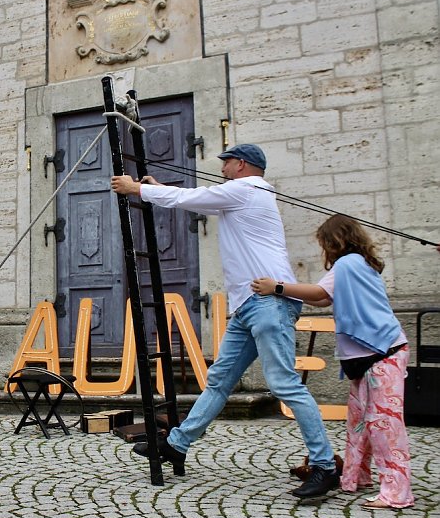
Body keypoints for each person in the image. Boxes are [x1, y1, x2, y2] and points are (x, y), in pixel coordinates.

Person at [111, 143, 338, 498]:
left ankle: (324, 466)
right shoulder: (243, 195)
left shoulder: (245, 190)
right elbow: (195, 199)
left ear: (242, 165)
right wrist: (156, 190)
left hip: (269, 303)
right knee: (218, 380)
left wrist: (138, 189)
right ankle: (178, 444)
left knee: (284, 384)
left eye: (227, 162)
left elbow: (194, 198)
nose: (222, 167)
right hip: (251, 305)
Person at [252, 215, 414, 509]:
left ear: (333, 241)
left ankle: (397, 493)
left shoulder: (349, 264)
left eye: (324, 243)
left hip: (382, 352)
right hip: (371, 352)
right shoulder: (359, 264)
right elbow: (325, 300)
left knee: (383, 426)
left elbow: (319, 293)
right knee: (359, 422)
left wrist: (277, 287)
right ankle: (356, 476)